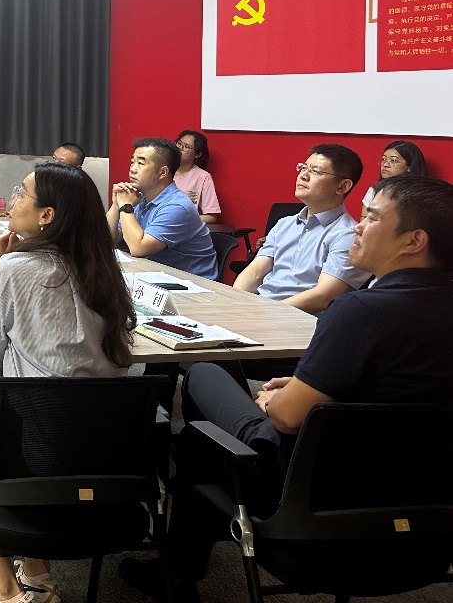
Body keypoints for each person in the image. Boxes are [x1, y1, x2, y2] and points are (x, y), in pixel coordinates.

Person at [120, 174, 453, 603]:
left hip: (312, 512)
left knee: (203, 400)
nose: (358, 225)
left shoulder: (362, 312)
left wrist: (276, 399)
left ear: (414, 241)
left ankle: (178, 574)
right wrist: (307, 385)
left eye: (371, 217)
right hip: (429, 529)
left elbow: (288, 418)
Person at [0, 160, 136, 603]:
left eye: (21, 193)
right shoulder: (104, 268)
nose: (13, 199)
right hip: (110, 459)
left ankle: (6, 590)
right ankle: (37, 574)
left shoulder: (16, 268)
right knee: (13, 425)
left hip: (37, 456)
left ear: (47, 215)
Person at [232, 143, 369, 314]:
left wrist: (266, 312)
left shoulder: (348, 235)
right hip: (260, 309)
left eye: (316, 171)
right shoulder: (284, 224)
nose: (303, 176)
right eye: (304, 167)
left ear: (342, 186)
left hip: (299, 319)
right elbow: (255, 272)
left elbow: (323, 296)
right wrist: (235, 303)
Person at [106, 137, 217, 279]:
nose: (132, 169)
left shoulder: (177, 206)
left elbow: (139, 248)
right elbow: (107, 240)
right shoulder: (139, 197)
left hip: (192, 283)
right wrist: (116, 204)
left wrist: (126, 207)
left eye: (140, 163)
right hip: (154, 274)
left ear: (162, 172)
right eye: (132, 162)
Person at [361, 139, 427, 210]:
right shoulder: (374, 191)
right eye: (383, 159)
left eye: (393, 161)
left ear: (409, 167)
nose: (385, 165)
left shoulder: (421, 195)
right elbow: (365, 216)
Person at [172, 130, 220, 224]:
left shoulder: (203, 177)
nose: (180, 148)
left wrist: (183, 220)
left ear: (197, 154)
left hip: (186, 227)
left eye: (186, 147)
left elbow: (211, 217)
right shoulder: (162, 170)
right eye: (179, 144)